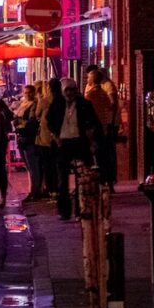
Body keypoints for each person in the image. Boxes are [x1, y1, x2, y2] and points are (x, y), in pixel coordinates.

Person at [46, 77, 101, 220]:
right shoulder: (57, 104)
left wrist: (91, 137)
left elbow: (94, 122)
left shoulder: (84, 104)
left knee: (81, 179)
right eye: (67, 90)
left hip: (80, 143)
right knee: (62, 179)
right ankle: (64, 211)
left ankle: (80, 209)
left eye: (73, 90)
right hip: (63, 144)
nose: (70, 93)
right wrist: (56, 136)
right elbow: (49, 121)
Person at [85, 66, 119, 191]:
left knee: (99, 156)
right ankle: (108, 182)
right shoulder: (102, 93)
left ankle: (102, 182)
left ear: (93, 80)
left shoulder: (93, 94)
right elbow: (110, 107)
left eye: (88, 77)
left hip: (97, 129)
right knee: (105, 155)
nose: (87, 78)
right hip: (104, 127)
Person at [14, 84, 42, 202]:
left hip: (29, 137)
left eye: (30, 92)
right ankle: (33, 190)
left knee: (33, 166)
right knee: (28, 165)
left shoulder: (34, 104)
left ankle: (35, 191)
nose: (28, 94)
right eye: (26, 92)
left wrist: (21, 122)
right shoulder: (23, 104)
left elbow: (32, 122)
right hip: (21, 137)